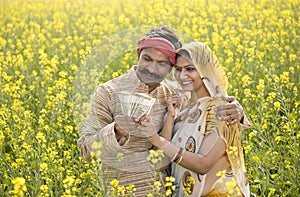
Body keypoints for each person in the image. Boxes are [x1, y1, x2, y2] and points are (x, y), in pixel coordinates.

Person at [77, 26, 248, 196]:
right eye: (147, 59)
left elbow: (209, 113)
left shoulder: (178, 93)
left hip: (166, 191)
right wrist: (115, 131)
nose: (152, 68)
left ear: (171, 68)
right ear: (138, 55)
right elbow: (86, 150)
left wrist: (237, 113)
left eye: (162, 63)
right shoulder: (108, 92)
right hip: (122, 190)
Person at [138, 42, 250, 196]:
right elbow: (161, 161)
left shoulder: (222, 109)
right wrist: (170, 117)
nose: (182, 76)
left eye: (190, 69)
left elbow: (203, 164)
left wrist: (156, 139)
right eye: (178, 69)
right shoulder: (182, 107)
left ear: (206, 70)